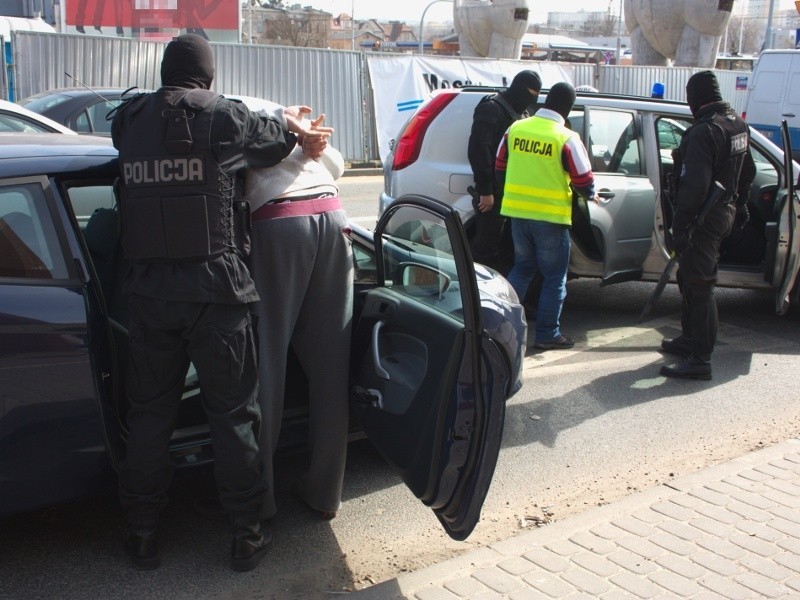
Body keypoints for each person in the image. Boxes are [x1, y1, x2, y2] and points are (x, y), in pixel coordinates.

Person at [110, 33, 322, 572]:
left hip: (150, 296)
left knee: (150, 417)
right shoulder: (223, 118)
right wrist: (293, 124)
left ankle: (141, 533)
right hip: (215, 294)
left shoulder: (127, 120)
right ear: (207, 75)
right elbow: (275, 141)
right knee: (233, 416)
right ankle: (246, 534)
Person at [243, 105, 352, 523]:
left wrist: (306, 136)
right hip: (333, 216)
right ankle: (325, 493)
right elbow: (338, 167)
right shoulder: (281, 126)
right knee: (330, 366)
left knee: (268, 363)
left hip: (279, 222)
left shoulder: (239, 123)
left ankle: (259, 501)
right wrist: (311, 141)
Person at [659, 70, 754, 381]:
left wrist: (680, 229)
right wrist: (738, 206)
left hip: (703, 218)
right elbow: (748, 172)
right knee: (688, 278)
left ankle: (700, 359)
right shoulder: (736, 125)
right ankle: (689, 340)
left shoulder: (704, 132)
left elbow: (694, 187)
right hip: (721, 211)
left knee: (700, 286)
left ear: (694, 98)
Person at [495, 82, 600, 350]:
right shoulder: (565, 137)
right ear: (568, 109)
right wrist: (591, 195)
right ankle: (548, 334)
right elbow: (584, 179)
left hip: (517, 215)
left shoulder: (516, 128)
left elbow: (499, 164)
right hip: (551, 219)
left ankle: (496, 326)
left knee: (522, 268)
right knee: (554, 279)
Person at [467, 69, 542, 273]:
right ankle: (476, 300)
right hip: (493, 195)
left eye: (536, 94)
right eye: (529, 93)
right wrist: (485, 190)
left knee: (509, 254)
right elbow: (479, 150)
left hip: (513, 196)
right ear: (518, 88)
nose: (531, 98)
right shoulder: (492, 109)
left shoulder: (523, 113)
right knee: (485, 252)